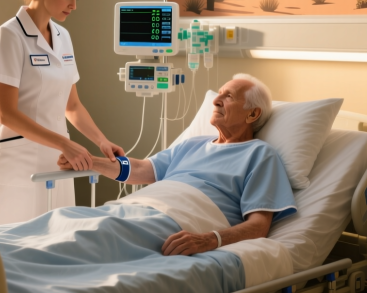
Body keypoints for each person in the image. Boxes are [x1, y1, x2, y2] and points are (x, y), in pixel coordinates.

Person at [57, 73, 296, 255]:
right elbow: (140, 170)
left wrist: (209, 240)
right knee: (68, 224)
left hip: (176, 220)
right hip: (140, 208)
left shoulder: (260, 155)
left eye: (229, 96)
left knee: (89, 239)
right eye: (219, 93)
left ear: (252, 115)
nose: (216, 100)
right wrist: (88, 161)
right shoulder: (192, 144)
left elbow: (258, 226)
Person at [0, 0, 124, 228]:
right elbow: (7, 114)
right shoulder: (9, 36)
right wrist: (66, 144)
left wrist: (100, 140)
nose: (74, 5)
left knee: (56, 238)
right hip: (18, 161)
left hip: (56, 160)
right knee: (11, 247)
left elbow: (72, 106)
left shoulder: (63, 37)